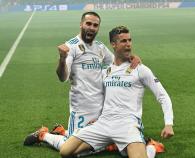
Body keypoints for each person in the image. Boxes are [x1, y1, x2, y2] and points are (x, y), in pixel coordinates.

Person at [23, 11, 139, 151]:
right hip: (81, 109)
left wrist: (131, 58)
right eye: (88, 23)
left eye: (95, 25)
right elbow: (62, 77)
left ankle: (62, 131)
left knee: (99, 142)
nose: (91, 27)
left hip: (102, 108)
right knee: (74, 151)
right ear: (81, 24)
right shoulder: (71, 46)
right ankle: (44, 135)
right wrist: (62, 59)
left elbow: (115, 63)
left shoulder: (100, 47)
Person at [59, 26, 174, 158]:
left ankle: (151, 147)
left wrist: (169, 123)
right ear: (113, 44)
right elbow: (100, 96)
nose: (128, 44)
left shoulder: (140, 69)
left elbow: (162, 96)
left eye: (129, 40)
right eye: (123, 41)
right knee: (65, 151)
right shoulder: (106, 71)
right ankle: (111, 142)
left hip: (128, 124)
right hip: (103, 123)